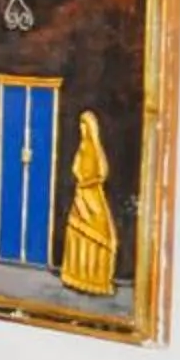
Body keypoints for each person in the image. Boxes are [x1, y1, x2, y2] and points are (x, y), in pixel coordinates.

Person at [60, 112, 117, 294]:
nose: (81, 128)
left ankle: (96, 279)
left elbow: (102, 173)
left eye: (84, 125)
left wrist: (86, 183)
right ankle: (76, 275)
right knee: (76, 233)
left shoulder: (95, 149)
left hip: (92, 196)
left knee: (100, 233)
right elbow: (76, 169)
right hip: (81, 197)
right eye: (80, 125)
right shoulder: (82, 148)